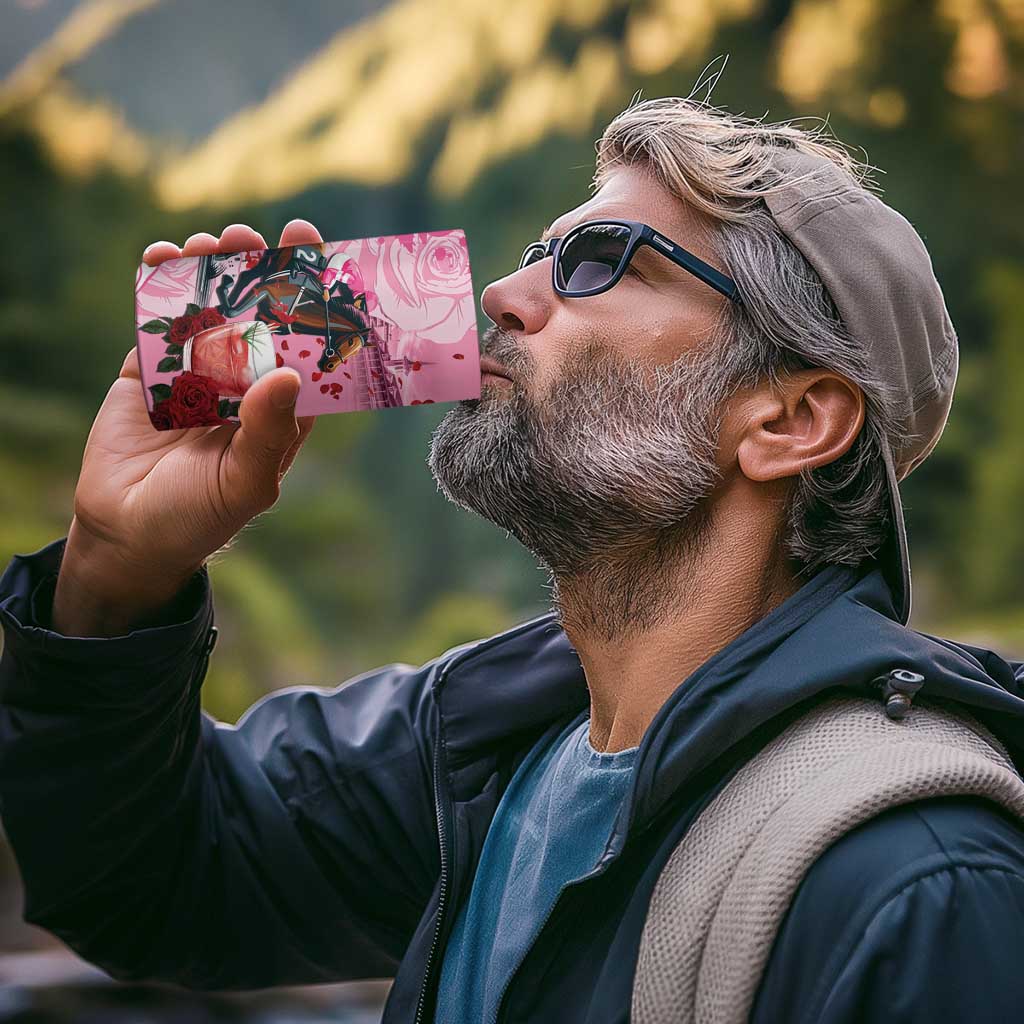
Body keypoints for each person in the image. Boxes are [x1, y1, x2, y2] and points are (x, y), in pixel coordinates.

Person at [2, 94, 1024, 1024]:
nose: (501, 292)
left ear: (790, 419)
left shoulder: (918, 884)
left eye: (599, 261)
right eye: (540, 252)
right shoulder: (480, 748)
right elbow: (149, 880)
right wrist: (115, 572)